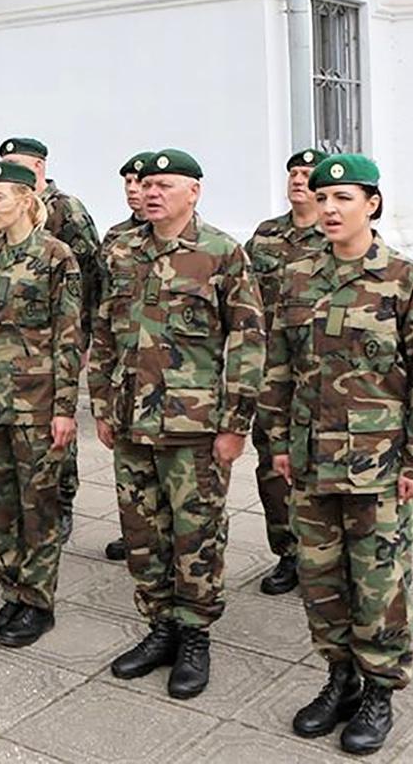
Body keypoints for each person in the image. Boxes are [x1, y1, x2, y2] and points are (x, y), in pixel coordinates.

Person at [260, 153, 413, 755]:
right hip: (312, 461)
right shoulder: (297, 278)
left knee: (379, 582)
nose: (331, 208)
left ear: (371, 204)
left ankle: (379, 689)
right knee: (321, 580)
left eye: (344, 198)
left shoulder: (404, 280)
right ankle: (339, 677)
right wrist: (282, 447)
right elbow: (279, 369)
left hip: (381, 467)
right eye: (323, 198)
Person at [89, 149, 264, 701]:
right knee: (143, 532)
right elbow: (104, 332)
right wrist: (101, 404)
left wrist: (235, 425)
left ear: (195, 191)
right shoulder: (121, 251)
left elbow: (248, 341)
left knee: (196, 535)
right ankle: (159, 626)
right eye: (147, 184)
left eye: (165, 184)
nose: (152, 192)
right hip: (131, 420)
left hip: (194, 428)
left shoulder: (221, 254)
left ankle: (194, 634)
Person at [0, 160, 81, 647]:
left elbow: (68, 337)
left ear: (27, 200)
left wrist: (65, 408)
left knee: (38, 505)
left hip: (36, 404)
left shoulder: (55, 257)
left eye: (0, 197)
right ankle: (11, 589)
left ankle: (38, 601)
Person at [0, 137, 100, 538]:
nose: (11, 171)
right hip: (18, 347)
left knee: (58, 423)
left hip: (63, 335)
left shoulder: (65, 209)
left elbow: (90, 273)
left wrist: (86, 334)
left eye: (19, 164)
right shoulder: (7, 209)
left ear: (39, 167)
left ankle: (63, 499)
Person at [242, 147, 327, 595]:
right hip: (270, 372)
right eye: (293, 173)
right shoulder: (266, 236)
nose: (297, 180)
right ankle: (288, 552)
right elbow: (242, 294)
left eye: (306, 174)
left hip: (319, 375)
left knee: (318, 465)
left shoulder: (335, 235)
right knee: (272, 467)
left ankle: (322, 555)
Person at [100, 149, 155, 562]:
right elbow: (101, 309)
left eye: (144, 183)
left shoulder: (213, 249)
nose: (136, 192)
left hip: (180, 389)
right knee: (131, 470)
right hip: (126, 376)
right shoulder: (117, 241)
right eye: (130, 184)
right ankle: (136, 532)